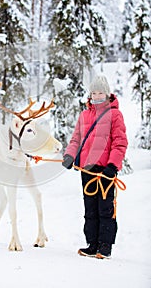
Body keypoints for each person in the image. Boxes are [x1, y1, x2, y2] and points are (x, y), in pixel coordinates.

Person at [62, 75, 128, 259]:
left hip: (105, 171)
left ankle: (105, 246)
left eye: (100, 92)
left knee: (105, 208)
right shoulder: (84, 115)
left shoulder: (115, 115)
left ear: (107, 93)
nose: (96, 95)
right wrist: (69, 155)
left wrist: (113, 166)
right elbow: (76, 139)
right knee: (90, 208)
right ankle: (92, 244)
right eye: (93, 92)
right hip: (87, 170)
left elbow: (120, 143)